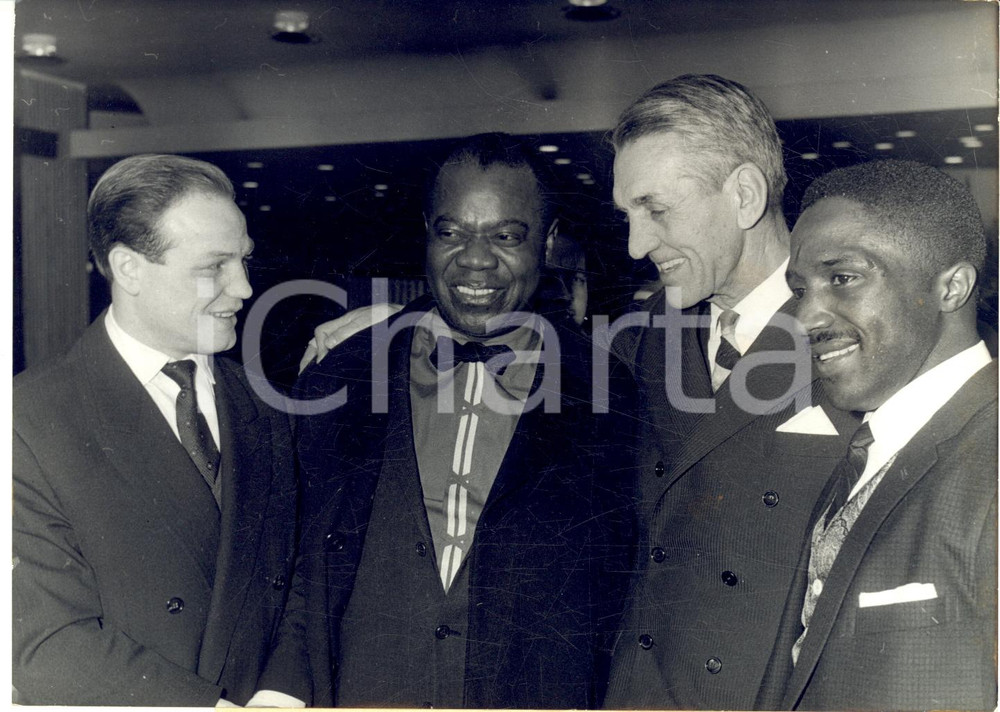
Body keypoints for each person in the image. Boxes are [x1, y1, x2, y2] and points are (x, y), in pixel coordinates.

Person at [258, 133, 637, 708]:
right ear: (426, 233)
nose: (476, 259)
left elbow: (623, 596)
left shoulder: (611, 395)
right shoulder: (338, 379)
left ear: (550, 242)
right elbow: (297, 569)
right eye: (452, 232)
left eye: (507, 236)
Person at [603, 74, 861, 710]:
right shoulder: (638, 346)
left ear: (744, 194)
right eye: (628, 217)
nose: (636, 245)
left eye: (656, 210)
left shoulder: (856, 345)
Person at [12, 154, 297, 706]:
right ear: (129, 269)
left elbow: (304, 583)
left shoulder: (269, 404)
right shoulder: (29, 421)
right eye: (214, 266)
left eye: (243, 261)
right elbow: (43, 641)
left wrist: (281, 694)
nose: (242, 288)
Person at [755, 159, 996, 710]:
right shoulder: (864, 452)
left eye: (843, 278)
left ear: (952, 287)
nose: (805, 317)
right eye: (799, 289)